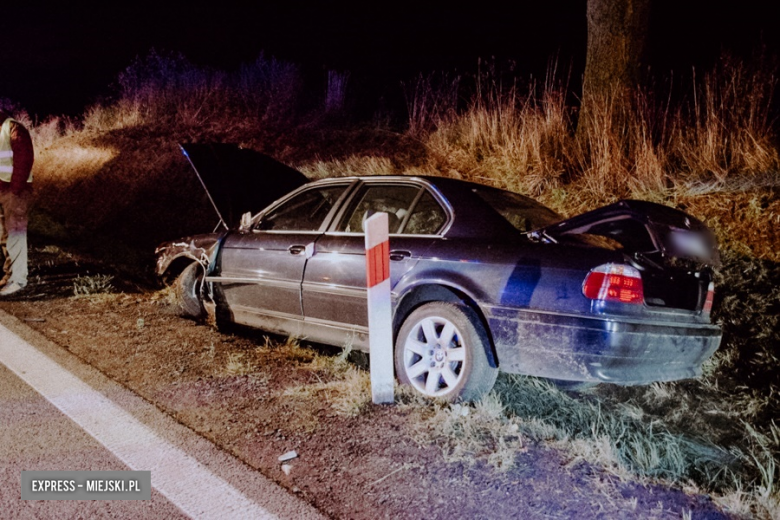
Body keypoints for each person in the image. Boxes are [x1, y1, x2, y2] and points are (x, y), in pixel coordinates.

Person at [0, 109, 34, 297]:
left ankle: (18, 280)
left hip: (15, 192)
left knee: (16, 235)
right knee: (3, 236)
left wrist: (15, 189)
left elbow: (24, 159)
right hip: (3, 191)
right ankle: (9, 275)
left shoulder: (13, 128)